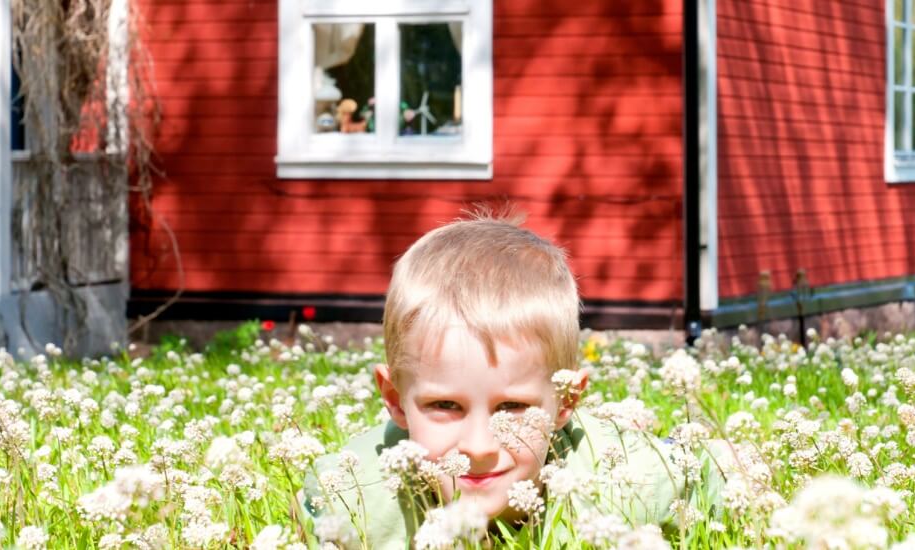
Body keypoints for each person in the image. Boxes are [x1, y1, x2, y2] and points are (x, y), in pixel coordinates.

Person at [298, 210, 715, 549]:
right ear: (394, 398)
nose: (479, 448)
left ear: (566, 401)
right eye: (445, 406)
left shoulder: (630, 481)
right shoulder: (356, 498)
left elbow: (714, 478)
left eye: (512, 407)